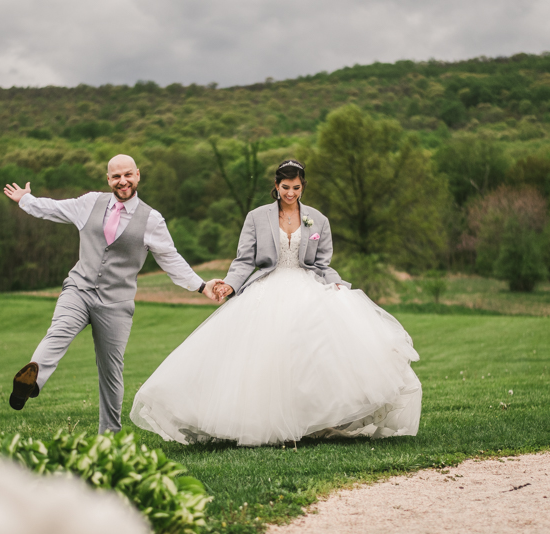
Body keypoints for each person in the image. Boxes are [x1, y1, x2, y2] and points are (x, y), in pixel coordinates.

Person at [130, 159, 422, 446]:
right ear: (276, 185)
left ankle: (315, 421)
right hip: (268, 287)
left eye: (296, 187)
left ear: (303, 186)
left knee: (314, 355)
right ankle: (264, 422)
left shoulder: (318, 220)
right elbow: (245, 260)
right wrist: (230, 284)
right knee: (265, 357)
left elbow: (322, 264)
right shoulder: (257, 217)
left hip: (307, 285)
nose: (290, 193)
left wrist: (337, 284)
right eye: (285, 187)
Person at [3, 154, 222, 434]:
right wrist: (26, 200)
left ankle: (110, 434)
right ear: (108, 179)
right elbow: (54, 209)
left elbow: (171, 259)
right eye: (116, 176)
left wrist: (201, 285)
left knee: (111, 371)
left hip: (116, 303)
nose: (122, 181)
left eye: (127, 175)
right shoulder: (89, 202)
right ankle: (31, 384)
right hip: (79, 289)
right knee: (58, 331)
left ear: (138, 176)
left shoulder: (151, 219)